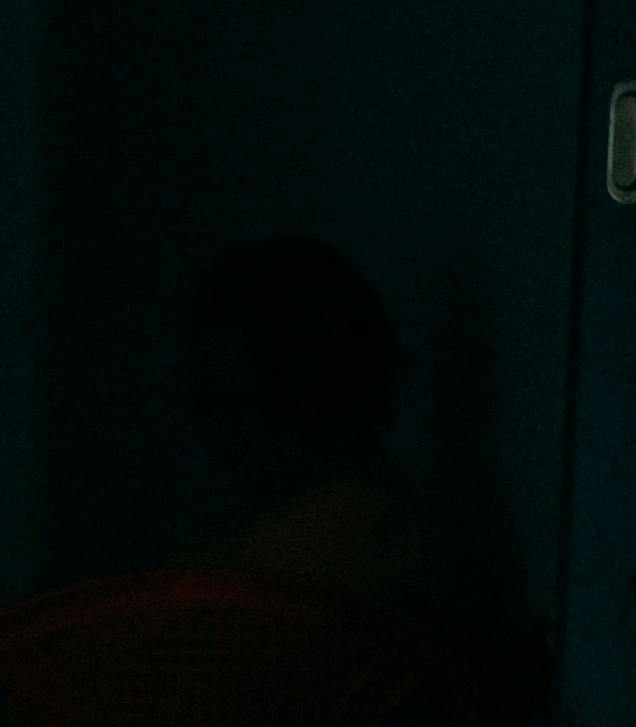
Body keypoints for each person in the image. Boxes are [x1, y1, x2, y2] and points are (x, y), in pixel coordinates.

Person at [186, 236, 448, 612]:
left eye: (232, 404)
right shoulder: (268, 523)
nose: (216, 430)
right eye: (203, 406)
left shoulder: (351, 533)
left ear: (305, 386)